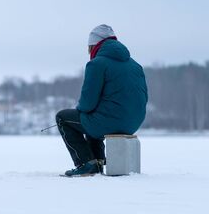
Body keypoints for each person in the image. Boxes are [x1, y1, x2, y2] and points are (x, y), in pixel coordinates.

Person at [56, 24, 148, 177]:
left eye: (88, 47)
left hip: (111, 121)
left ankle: (86, 164)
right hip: (133, 123)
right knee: (93, 118)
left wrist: (81, 110)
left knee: (63, 117)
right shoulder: (135, 65)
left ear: (94, 45)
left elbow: (87, 104)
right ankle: (97, 161)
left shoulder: (97, 64)